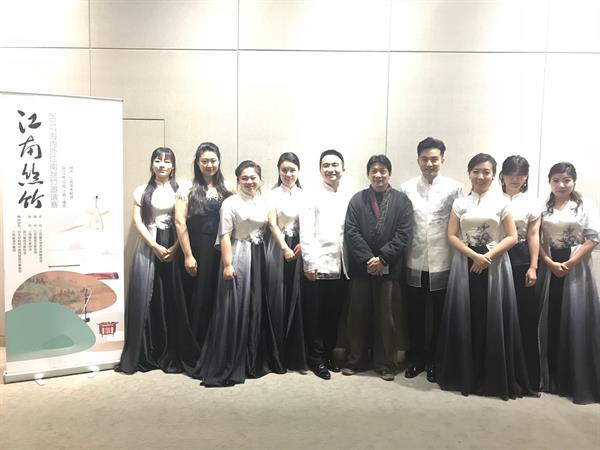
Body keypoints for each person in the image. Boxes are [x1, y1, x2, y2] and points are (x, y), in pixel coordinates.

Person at [436, 153, 534, 399]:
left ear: (494, 175)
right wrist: (473, 255)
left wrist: (487, 257)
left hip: (495, 263)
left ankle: (490, 376)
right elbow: (451, 235)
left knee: (492, 316)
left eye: (486, 172)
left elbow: (512, 236)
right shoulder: (460, 203)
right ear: (469, 173)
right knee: (466, 314)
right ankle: (465, 374)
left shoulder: (502, 203)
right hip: (465, 263)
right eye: (476, 171)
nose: (481, 176)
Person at [199, 160, 280, 387]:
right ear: (238, 181)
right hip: (238, 255)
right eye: (244, 178)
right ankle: (230, 361)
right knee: (234, 307)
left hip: (259, 255)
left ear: (260, 179)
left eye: (253, 177)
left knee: (255, 305)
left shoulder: (265, 202)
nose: (249, 181)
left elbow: (272, 227)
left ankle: (252, 360)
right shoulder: (230, 203)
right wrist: (227, 264)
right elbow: (224, 234)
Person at [342, 154, 413, 381]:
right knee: (357, 317)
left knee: (387, 319)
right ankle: (356, 360)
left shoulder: (402, 201)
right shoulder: (357, 200)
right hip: (362, 268)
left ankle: (386, 364)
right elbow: (351, 231)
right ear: (368, 174)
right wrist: (368, 260)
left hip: (389, 269)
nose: (378, 175)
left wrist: (382, 259)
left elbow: (404, 234)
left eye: (383, 170)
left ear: (389, 174)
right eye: (374, 171)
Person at [401, 137, 464, 382]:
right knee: (414, 314)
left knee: (440, 314)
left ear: (442, 160)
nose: (429, 163)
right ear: (418, 160)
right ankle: (417, 358)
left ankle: (437, 361)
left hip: (444, 258)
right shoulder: (406, 188)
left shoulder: (455, 188)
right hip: (414, 258)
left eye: (434, 159)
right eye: (425, 159)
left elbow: (461, 225)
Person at [537, 162, 600, 404]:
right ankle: (551, 377)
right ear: (549, 182)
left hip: (576, 265)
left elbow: (592, 238)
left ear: (574, 181)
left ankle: (574, 379)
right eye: (556, 180)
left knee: (576, 320)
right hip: (550, 264)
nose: (561, 185)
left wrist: (570, 263)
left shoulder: (585, 205)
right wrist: (549, 262)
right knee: (551, 320)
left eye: (566, 180)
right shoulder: (543, 206)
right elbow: (536, 238)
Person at [117, 147, 184, 374]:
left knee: (173, 296)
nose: (162, 165)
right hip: (149, 243)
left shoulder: (181, 190)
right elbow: (137, 222)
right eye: (158, 160)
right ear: (152, 164)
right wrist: (154, 245)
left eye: (167, 161)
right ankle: (145, 352)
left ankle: (173, 351)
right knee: (146, 295)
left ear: (173, 166)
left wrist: (176, 247)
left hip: (175, 243)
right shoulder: (141, 191)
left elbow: (185, 221)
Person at [174, 143, 233, 376]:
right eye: (204, 161)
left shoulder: (228, 188)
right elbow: (180, 222)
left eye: (213, 160)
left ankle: (217, 350)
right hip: (198, 250)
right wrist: (188, 255)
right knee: (199, 299)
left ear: (219, 161)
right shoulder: (187, 189)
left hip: (222, 250)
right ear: (197, 163)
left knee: (219, 298)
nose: (209, 165)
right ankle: (197, 352)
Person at [300, 149, 351, 380]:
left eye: (335, 165)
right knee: (315, 315)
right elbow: (306, 232)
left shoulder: (348, 195)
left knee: (334, 314)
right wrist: (309, 263)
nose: (331, 169)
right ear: (320, 170)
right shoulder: (310, 195)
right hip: (318, 265)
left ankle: (330, 354)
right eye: (326, 165)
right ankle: (316, 358)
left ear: (343, 169)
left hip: (342, 266)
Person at [499, 155, 542, 389]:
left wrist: (533, 266)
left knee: (525, 317)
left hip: (522, 261)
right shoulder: (492, 198)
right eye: (510, 174)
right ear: (502, 176)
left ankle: (527, 379)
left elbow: (534, 235)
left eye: (520, 174)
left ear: (526, 177)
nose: (515, 179)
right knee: (498, 315)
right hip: (495, 259)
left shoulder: (532, 202)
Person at [265, 152, 307, 372]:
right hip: (277, 247)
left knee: (298, 299)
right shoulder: (271, 195)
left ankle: (296, 356)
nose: (289, 174)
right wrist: (284, 247)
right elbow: (271, 224)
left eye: (292, 170)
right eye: (284, 170)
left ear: (298, 171)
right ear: (279, 171)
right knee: (278, 297)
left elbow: (310, 223)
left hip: (301, 247)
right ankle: (277, 355)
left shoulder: (305, 195)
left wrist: (303, 243)